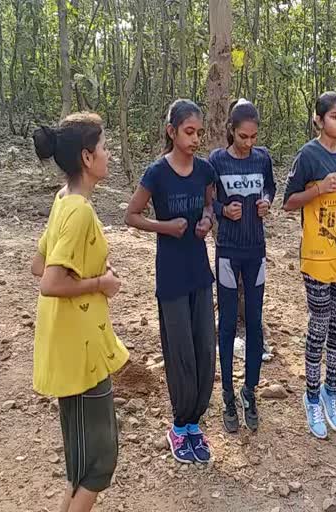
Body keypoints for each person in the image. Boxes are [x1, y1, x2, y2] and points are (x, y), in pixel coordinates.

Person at [30, 112, 129, 512]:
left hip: (72, 344)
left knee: (82, 463)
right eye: (104, 148)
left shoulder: (63, 200)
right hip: (81, 349)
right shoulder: (79, 211)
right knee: (99, 463)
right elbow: (49, 281)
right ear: (87, 158)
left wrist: (90, 272)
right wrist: (100, 283)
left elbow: (39, 262)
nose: (109, 155)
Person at [124, 99, 216, 464]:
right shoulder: (156, 174)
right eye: (188, 132)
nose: (195, 139)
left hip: (199, 271)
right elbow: (131, 215)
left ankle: (196, 423)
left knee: (204, 347)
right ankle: (179, 426)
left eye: (199, 133)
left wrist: (208, 220)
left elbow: (210, 205)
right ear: (171, 131)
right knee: (179, 352)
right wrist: (164, 226)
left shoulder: (205, 170)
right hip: (171, 275)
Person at [282, 91, 336, 439]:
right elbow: (288, 202)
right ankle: (311, 396)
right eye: (334, 116)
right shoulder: (308, 155)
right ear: (318, 119)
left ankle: (332, 391)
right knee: (319, 324)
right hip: (315, 255)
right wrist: (317, 189)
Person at [209, 99, 276, 433]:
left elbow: (271, 188)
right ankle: (227, 395)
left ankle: (250, 390)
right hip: (227, 251)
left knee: (254, 321)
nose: (248, 143)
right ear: (231, 131)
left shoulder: (263, 159)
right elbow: (209, 201)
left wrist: (266, 203)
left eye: (253, 136)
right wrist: (223, 211)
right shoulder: (217, 161)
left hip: (256, 250)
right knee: (226, 324)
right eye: (242, 137)